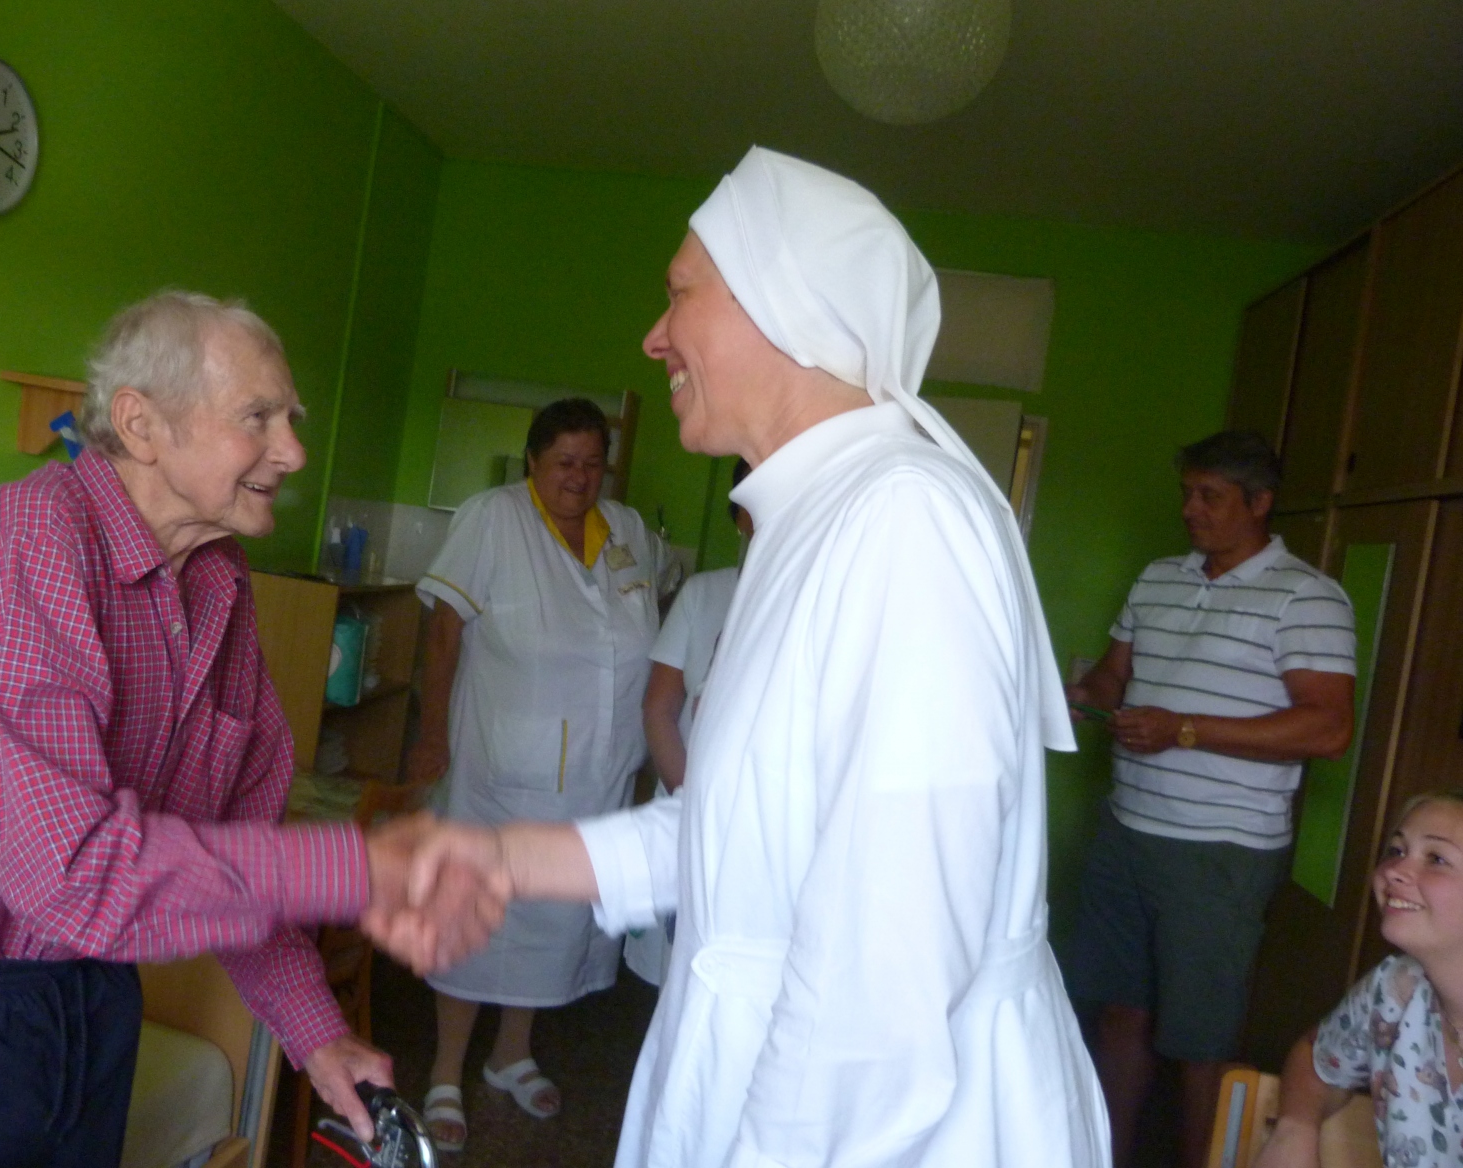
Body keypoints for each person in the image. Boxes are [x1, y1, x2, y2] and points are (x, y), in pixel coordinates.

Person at [373, 147, 1112, 1167]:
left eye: (680, 294)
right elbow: (745, 829)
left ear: (784, 304)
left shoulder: (904, 521)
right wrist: (504, 860)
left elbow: (883, 981)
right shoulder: (815, 522)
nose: (655, 335)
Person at [0, 292, 496, 1168]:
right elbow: (69, 873)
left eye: (291, 418)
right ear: (141, 424)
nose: (293, 450)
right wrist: (362, 867)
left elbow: (235, 842)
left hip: (93, 1001)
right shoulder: (27, 543)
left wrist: (316, 1030)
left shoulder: (218, 584)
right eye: (258, 416)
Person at [1063, 429, 1357, 1168]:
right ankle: (1108, 1155)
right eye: (1187, 493)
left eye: (1210, 496)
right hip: (1127, 828)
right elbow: (1113, 677)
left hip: (1220, 850)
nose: (1190, 509)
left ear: (1259, 503)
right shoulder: (1158, 578)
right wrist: (1078, 697)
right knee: (1120, 1013)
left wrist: (1185, 729)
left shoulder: (1308, 597)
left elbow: (1327, 728)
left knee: (1199, 1040)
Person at [404, 398, 662, 1150]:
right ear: (533, 462)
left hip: (598, 770)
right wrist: (431, 734)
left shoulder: (628, 531)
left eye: (593, 464)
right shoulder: (494, 517)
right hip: (501, 765)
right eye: (564, 463)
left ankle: (511, 1055)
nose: (580, 477)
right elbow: (444, 629)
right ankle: (445, 1071)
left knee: (555, 915)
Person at [1255, 789, 1463, 1168]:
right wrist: (1295, 1130)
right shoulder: (1397, 987)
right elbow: (1316, 1058)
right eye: (1396, 850)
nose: (1393, 870)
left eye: (1436, 858)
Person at [624, 459, 751, 987]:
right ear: (739, 515)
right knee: (677, 976)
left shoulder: (828, 598)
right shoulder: (705, 594)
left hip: (762, 830)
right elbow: (659, 709)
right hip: (689, 805)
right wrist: (690, 800)